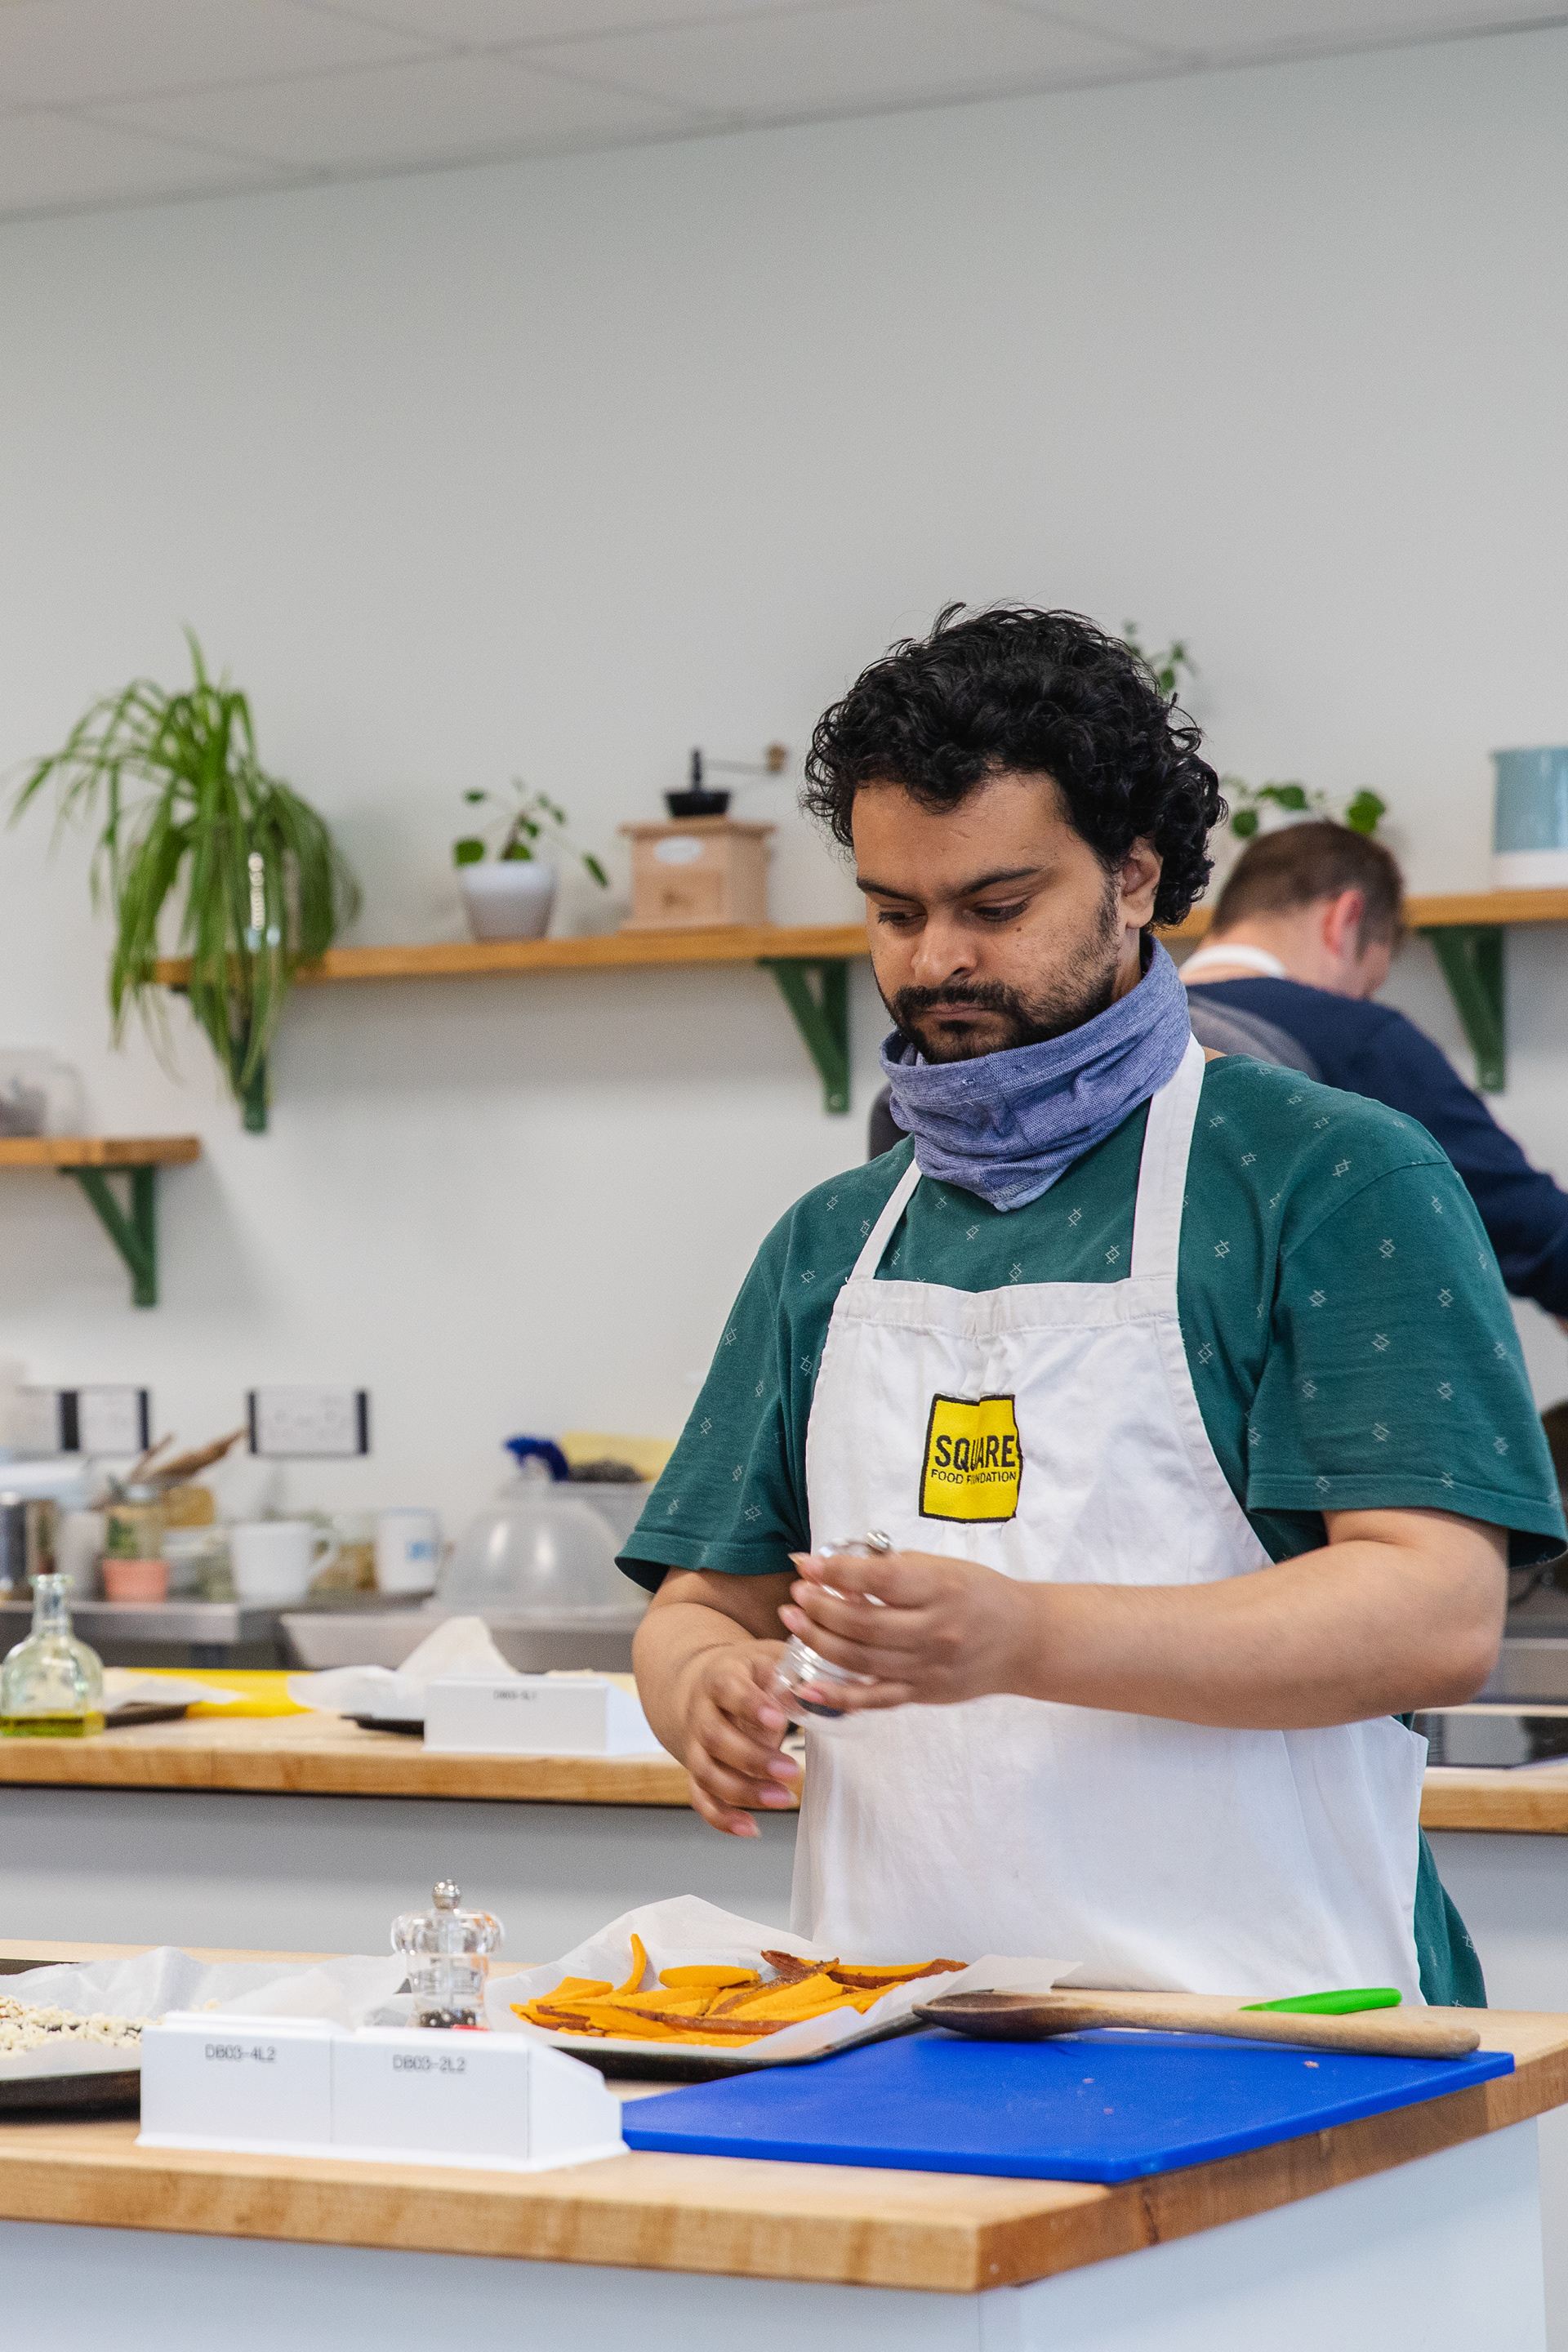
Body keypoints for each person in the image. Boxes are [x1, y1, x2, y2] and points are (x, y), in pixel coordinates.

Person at [621, 607, 1564, 2002]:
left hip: (1282, 2029)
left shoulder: (1330, 1178)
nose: (935, 959)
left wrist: (1028, 1638)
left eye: (996, 908)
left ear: (1134, 875)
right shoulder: (832, 1240)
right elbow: (704, 1601)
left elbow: (1435, 1614)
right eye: (895, 913)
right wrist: (701, 1685)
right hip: (892, 2025)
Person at [1178, 822, 1568, 1326]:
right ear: (1345, 918)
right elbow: (1532, 1230)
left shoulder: (1121, 1030)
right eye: (1367, 984)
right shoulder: (1355, 1037)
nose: (1360, 1000)